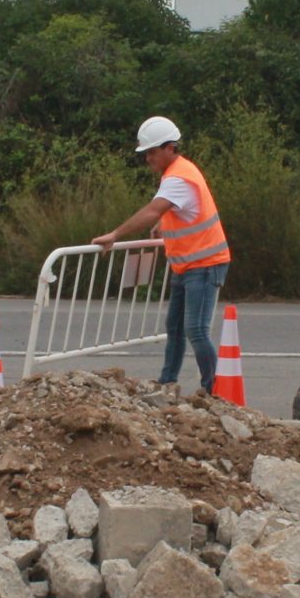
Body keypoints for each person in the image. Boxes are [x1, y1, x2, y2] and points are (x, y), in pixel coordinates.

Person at [92, 115, 231, 391]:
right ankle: (168, 382)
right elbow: (177, 210)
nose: (148, 159)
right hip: (187, 265)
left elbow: (154, 208)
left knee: (196, 330)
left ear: (170, 148)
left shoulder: (178, 177)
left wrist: (115, 234)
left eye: (152, 152)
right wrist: (163, 223)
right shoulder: (179, 172)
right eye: (146, 153)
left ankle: (215, 388)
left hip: (204, 264)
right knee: (176, 328)